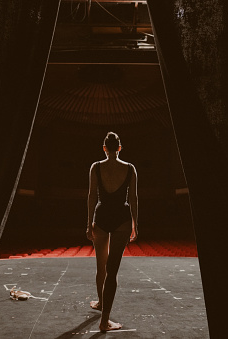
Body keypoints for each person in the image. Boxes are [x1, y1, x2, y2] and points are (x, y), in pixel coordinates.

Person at [86, 131, 138, 332]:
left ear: (104, 148)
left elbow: (91, 196)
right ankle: (104, 319)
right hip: (122, 220)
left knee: (101, 267)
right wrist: (136, 223)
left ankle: (101, 304)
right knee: (112, 270)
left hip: (101, 218)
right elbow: (133, 198)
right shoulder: (130, 168)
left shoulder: (96, 167)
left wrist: (88, 222)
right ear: (119, 147)